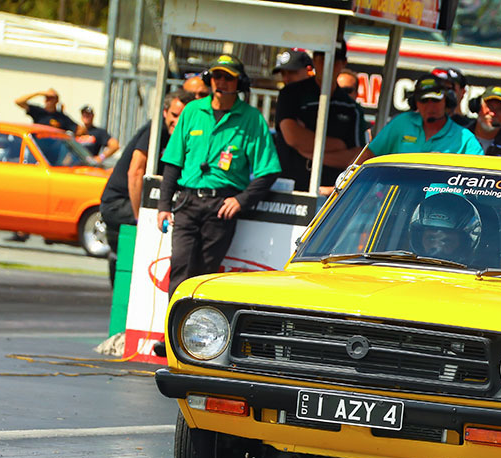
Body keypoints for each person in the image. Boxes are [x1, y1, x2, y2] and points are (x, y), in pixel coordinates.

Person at [158, 54, 281, 300]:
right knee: (180, 268)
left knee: (205, 275)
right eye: (216, 76)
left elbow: (269, 171)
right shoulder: (192, 110)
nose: (221, 83)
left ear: (239, 83)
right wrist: (163, 205)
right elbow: (172, 162)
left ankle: (198, 326)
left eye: (228, 78)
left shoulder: (252, 118)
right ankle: (173, 325)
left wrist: (241, 201)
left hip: (221, 207)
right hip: (187, 202)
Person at [99, 90, 192, 284]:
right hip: (120, 202)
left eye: (182, 117)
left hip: (130, 203)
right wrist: (139, 218)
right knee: (133, 259)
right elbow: (135, 172)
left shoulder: (182, 135)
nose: (177, 121)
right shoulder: (155, 130)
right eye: (174, 115)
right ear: (164, 112)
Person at [274, 39, 369, 191]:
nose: (328, 64)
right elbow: (292, 137)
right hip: (289, 189)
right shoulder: (291, 93)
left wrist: (312, 154)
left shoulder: (351, 108)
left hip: (329, 192)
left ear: (344, 63)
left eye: (335, 59)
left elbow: (357, 158)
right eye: (322, 58)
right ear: (315, 60)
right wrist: (338, 145)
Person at [355, 75, 483, 163]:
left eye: (435, 100)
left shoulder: (465, 139)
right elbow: (365, 158)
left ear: (447, 101)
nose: (430, 106)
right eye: (424, 101)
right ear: (415, 103)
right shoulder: (401, 123)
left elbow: (480, 177)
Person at [409, 193, 481, 262]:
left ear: (462, 245)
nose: (437, 247)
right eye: (431, 239)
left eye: (446, 241)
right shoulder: (405, 263)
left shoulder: (477, 269)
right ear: (419, 240)